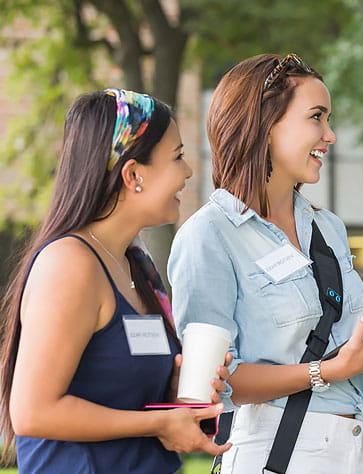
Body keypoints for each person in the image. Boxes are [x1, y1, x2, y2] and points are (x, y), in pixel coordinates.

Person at [168, 53, 363, 474]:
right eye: (316, 117)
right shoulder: (209, 235)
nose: (331, 134)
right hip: (276, 452)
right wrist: (327, 370)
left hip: (360, 447)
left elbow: (333, 344)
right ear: (264, 124)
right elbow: (216, 381)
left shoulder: (328, 228)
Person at [0, 89, 232, 473]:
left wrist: (176, 394)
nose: (188, 172)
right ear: (133, 174)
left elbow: (116, 394)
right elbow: (32, 412)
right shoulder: (69, 264)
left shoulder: (134, 264)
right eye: (177, 157)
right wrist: (160, 423)